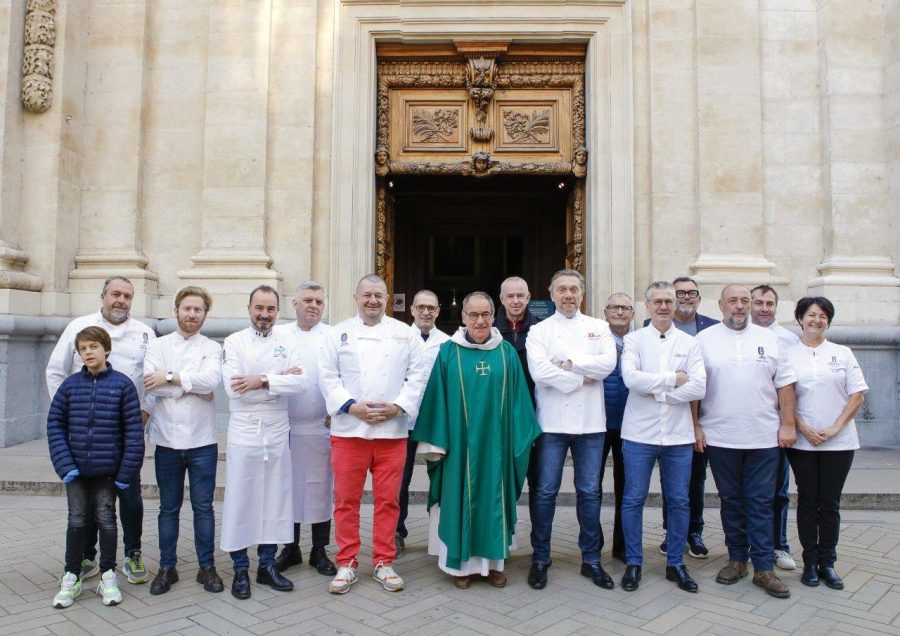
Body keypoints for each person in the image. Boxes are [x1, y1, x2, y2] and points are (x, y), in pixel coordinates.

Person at [413, 291, 541, 589]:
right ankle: (461, 568)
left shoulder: (506, 352)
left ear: (492, 317)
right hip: (459, 448)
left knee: (495, 500)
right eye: (474, 315)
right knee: (459, 498)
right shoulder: (449, 352)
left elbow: (520, 400)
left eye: (486, 314)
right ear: (463, 318)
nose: (480, 321)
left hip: (498, 448)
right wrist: (436, 444)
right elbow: (437, 399)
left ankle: (494, 565)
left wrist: (520, 438)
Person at [318, 274, 426, 595]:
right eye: (367, 294)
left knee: (388, 500)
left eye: (379, 295)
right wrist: (351, 406)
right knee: (346, 500)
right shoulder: (338, 334)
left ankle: (383, 561)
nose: (373, 300)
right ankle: (347, 562)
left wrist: (398, 407)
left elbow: (418, 376)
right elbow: (327, 377)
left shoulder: (405, 334)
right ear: (356, 297)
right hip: (349, 430)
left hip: (391, 432)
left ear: (387, 298)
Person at [45, 275, 155, 585]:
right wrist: (69, 413)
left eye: (127, 296)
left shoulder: (145, 333)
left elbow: (153, 379)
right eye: (115, 294)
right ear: (103, 296)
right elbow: (55, 371)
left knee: (129, 495)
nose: (121, 300)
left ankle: (132, 554)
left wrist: (146, 411)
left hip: (127, 431)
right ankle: (88, 557)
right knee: (91, 496)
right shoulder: (78, 327)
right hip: (87, 433)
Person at [694, 284, 797, 599]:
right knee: (732, 501)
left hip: (764, 437)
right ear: (721, 304)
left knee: (762, 502)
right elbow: (696, 387)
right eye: (733, 301)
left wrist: (788, 424)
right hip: (721, 436)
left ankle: (764, 567)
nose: (740, 306)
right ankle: (737, 559)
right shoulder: (703, 340)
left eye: (745, 301)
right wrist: (695, 425)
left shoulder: (771, 340)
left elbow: (786, 385)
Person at [525, 270, 616, 590]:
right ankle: (540, 557)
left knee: (590, 492)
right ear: (551, 295)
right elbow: (539, 372)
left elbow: (607, 364)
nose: (568, 295)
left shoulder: (599, 327)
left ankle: (591, 559)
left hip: (591, 424)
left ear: (581, 294)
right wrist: (582, 376)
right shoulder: (539, 330)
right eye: (562, 290)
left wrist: (567, 362)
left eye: (574, 289)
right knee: (545, 491)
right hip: (551, 424)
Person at [619, 282, 706, 594]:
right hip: (639, 434)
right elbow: (631, 379)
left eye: (669, 300)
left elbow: (699, 387)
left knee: (680, 500)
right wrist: (671, 381)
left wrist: (658, 394)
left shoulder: (690, 343)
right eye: (658, 301)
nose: (664, 306)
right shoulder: (633, 340)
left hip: (679, 436)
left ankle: (675, 564)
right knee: (633, 499)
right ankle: (633, 562)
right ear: (647, 305)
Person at [48, 327, 144, 608]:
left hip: (107, 470)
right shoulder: (69, 386)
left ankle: (108, 574)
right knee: (77, 520)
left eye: (93, 347)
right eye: (82, 349)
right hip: (76, 469)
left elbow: (133, 433)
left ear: (106, 349)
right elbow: (55, 424)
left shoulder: (122, 385)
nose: (88, 352)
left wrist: (126, 473)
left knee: (106, 520)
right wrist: (65, 465)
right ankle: (72, 574)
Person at [221, 285, 306, 600]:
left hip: (276, 427)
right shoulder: (234, 342)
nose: (265, 315)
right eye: (259, 308)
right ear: (249, 308)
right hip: (244, 429)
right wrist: (279, 379)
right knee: (243, 497)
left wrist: (261, 379)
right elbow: (233, 388)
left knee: (276, 497)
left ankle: (267, 564)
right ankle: (240, 568)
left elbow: (300, 383)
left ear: (278, 310)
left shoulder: (288, 341)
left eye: (270, 309)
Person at [144, 286, 224, 595]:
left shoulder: (212, 348)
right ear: (176, 309)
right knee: (168, 508)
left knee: (203, 507)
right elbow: (150, 383)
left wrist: (171, 377)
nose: (192, 314)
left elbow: (212, 381)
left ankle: (207, 567)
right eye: (187, 308)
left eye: (198, 310)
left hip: (203, 442)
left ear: (205, 314)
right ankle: (167, 567)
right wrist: (189, 383)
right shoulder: (158, 345)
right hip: (167, 440)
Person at [785, 297, 868, 590]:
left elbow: (857, 394)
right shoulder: (789, 355)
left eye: (822, 315)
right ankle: (809, 561)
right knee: (808, 500)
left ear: (828, 321)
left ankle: (827, 563)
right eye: (810, 315)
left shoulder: (842, 353)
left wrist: (835, 427)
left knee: (830, 502)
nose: (816, 320)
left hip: (840, 443)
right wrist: (803, 427)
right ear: (799, 319)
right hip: (802, 442)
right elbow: (783, 398)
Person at [272, 281, 338, 577]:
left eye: (319, 302)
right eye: (308, 300)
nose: (314, 306)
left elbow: (343, 375)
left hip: (322, 426)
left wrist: (338, 410)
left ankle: (319, 550)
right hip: (285, 427)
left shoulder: (333, 335)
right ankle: (290, 548)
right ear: (294, 304)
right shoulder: (279, 334)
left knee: (321, 489)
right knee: (289, 489)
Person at [653, 276, 718, 560]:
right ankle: (672, 532)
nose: (686, 297)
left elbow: (703, 380)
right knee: (673, 481)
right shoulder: (652, 328)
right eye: (680, 293)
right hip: (668, 416)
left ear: (699, 298)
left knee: (696, 479)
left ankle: (695, 532)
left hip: (707, 416)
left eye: (692, 293)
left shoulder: (713, 329)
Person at [395, 290, 450, 557]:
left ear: (438, 310)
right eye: (421, 307)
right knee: (399, 479)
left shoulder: (449, 343)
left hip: (436, 421)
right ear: (413, 310)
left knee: (440, 477)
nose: (426, 312)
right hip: (403, 419)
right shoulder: (399, 338)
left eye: (431, 307)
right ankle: (397, 531)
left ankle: (441, 533)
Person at [751, 284, 801, 572]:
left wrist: (789, 423)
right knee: (749, 492)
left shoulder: (788, 340)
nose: (764, 308)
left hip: (778, 426)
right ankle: (751, 545)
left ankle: (779, 545)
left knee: (779, 491)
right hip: (749, 427)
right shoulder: (739, 336)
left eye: (769, 303)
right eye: (759, 302)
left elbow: (792, 385)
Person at [494, 276, 543, 527]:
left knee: (539, 484)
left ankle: (539, 551)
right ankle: (501, 541)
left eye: (520, 296)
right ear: (501, 299)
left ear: (528, 297)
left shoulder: (543, 329)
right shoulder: (490, 331)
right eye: (510, 296)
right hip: (500, 419)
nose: (516, 301)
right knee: (499, 482)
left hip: (537, 416)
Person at [600, 293, 634, 563]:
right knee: (591, 488)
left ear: (632, 313)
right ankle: (593, 542)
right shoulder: (595, 340)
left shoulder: (638, 342)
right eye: (614, 307)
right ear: (605, 312)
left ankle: (621, 546)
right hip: (597, 424)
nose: (620, 312)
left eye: (625, 308)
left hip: (631, 426)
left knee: (626, 488)